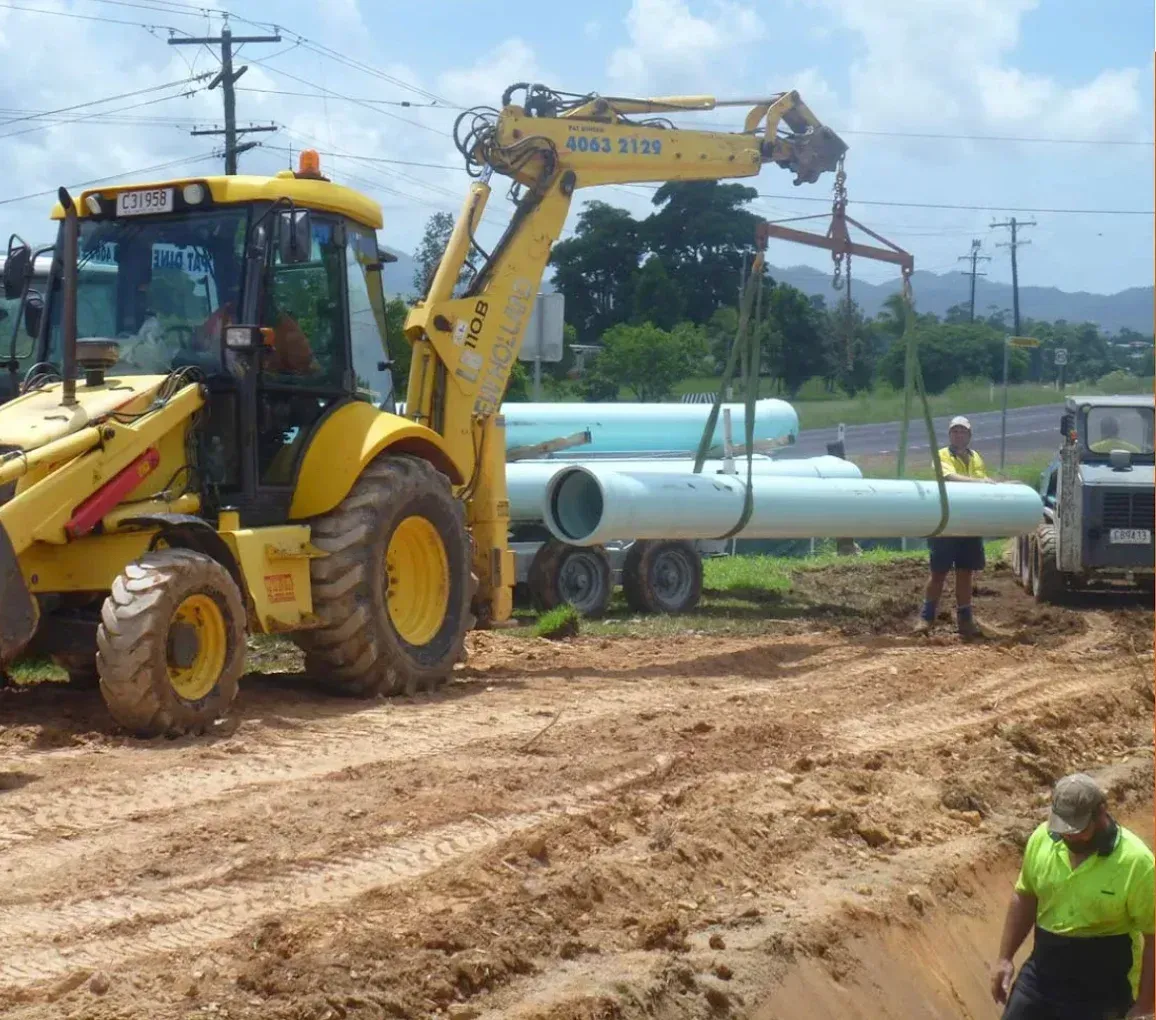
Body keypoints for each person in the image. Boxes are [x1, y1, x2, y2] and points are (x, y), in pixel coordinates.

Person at [992, 773, 1155, 1019]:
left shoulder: (1136, 862)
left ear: (1101, 813)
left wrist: (1145, 1005)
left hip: (1103, 990)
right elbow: (1025, 894)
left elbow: (1153, 935)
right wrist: (1004, 958)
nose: (1069, 836)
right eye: (1063, 827)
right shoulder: (1042, 840)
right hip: (1043, 974)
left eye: (1078, 829)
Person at [914, 415, 995, 638]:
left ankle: (965, 619)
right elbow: (949, 477)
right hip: (946, 520)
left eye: (962, 431)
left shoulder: (976, 457)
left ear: (969, 435)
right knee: (939, 572)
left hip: (969, 521)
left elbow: (983, 481)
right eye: (954, 431)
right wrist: (982, 483)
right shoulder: (941, 455)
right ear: (950, 435)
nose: (958, 434)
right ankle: (926, 617)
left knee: (965, 572)